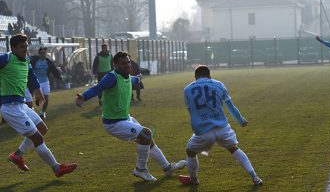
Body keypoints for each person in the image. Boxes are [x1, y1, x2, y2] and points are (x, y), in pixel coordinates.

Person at [75, 51, 186, 181]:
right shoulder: (112, 77)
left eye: (128, 62)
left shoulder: (127, 76)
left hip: (125, 118)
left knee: (148, 139)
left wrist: (138, 77)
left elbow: (133, 79)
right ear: (115, 65)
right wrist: (83, 96)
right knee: (146, 134)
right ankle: (140, 169)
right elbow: (97, 88)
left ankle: (167, 167)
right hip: (113, 123)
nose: (128, 65)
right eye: (123, 63)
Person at [0, 34, 77, 177]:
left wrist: (38, 92)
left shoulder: (26, 60)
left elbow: (31, 77)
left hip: (21, 105)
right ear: (13, 48)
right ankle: (57, 168)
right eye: (22, 47)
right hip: (10, 108)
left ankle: (17, 155)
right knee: (38, 138)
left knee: (42, 129)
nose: (26, 49)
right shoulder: (6, 58)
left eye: (26, 46)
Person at [178, 65, 263, 186]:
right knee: (234, 149)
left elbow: (191, 111)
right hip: (222, 128)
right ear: (209, 75)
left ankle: (194, 179)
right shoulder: (219, 84)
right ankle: (255, 177)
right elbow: (231, 107)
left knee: (190, 152)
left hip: (203, 132)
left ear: (195, 77)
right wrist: (241, 120)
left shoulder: (187, 89)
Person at [29, 47, 63, 119]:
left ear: (46, 54)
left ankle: (42, 112)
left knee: (46, 98)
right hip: (36, 82)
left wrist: (60, 78)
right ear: (39, 54)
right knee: (38, 96)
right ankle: (37, 98)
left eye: (44, 53)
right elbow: (28, 68)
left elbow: (54, 71)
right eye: (41, 53)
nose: (43, 54)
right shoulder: (34, 61)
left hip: (45, 81)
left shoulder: (49, 62)